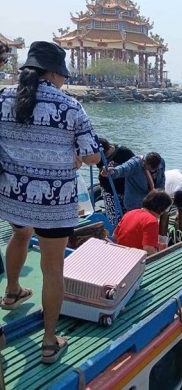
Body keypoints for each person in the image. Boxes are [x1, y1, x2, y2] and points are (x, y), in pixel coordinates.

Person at [0, 41, 101, 363]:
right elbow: (92, 156)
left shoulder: (3, 97)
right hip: (54, 202)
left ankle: (12, 292)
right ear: (55, 73)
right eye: (63, 74)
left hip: (14, 195)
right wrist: (70, 154)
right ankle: (48, 342)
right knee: (53, 268)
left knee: (20, 234)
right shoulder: (70, 106)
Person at [113, 189, 172, 255]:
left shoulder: (129, 213)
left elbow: (115, 236)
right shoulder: (152, 221)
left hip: (120, 254)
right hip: (135, 257)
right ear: (161, 208)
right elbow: (149, 250)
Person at [101, 152, 165, 211]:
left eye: (155, 169)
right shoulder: (135, 163)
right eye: (149, 169)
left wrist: (160, 196)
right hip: (135, 203)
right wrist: (112, 172)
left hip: (152, 202)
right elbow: (123, 169)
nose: (152, 171)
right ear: (144, 161)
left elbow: (162, 180)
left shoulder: (161, 163)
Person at [97, 137, 135, 226]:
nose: (105, 156)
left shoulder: (124, 152)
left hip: (125, 189)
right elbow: (100, 169)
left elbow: (135, 166)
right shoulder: (98, 155)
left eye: (107, 154)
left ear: (110, 148)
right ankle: (116, 230)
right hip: (108, 189)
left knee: (129, 217)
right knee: (115, 220)